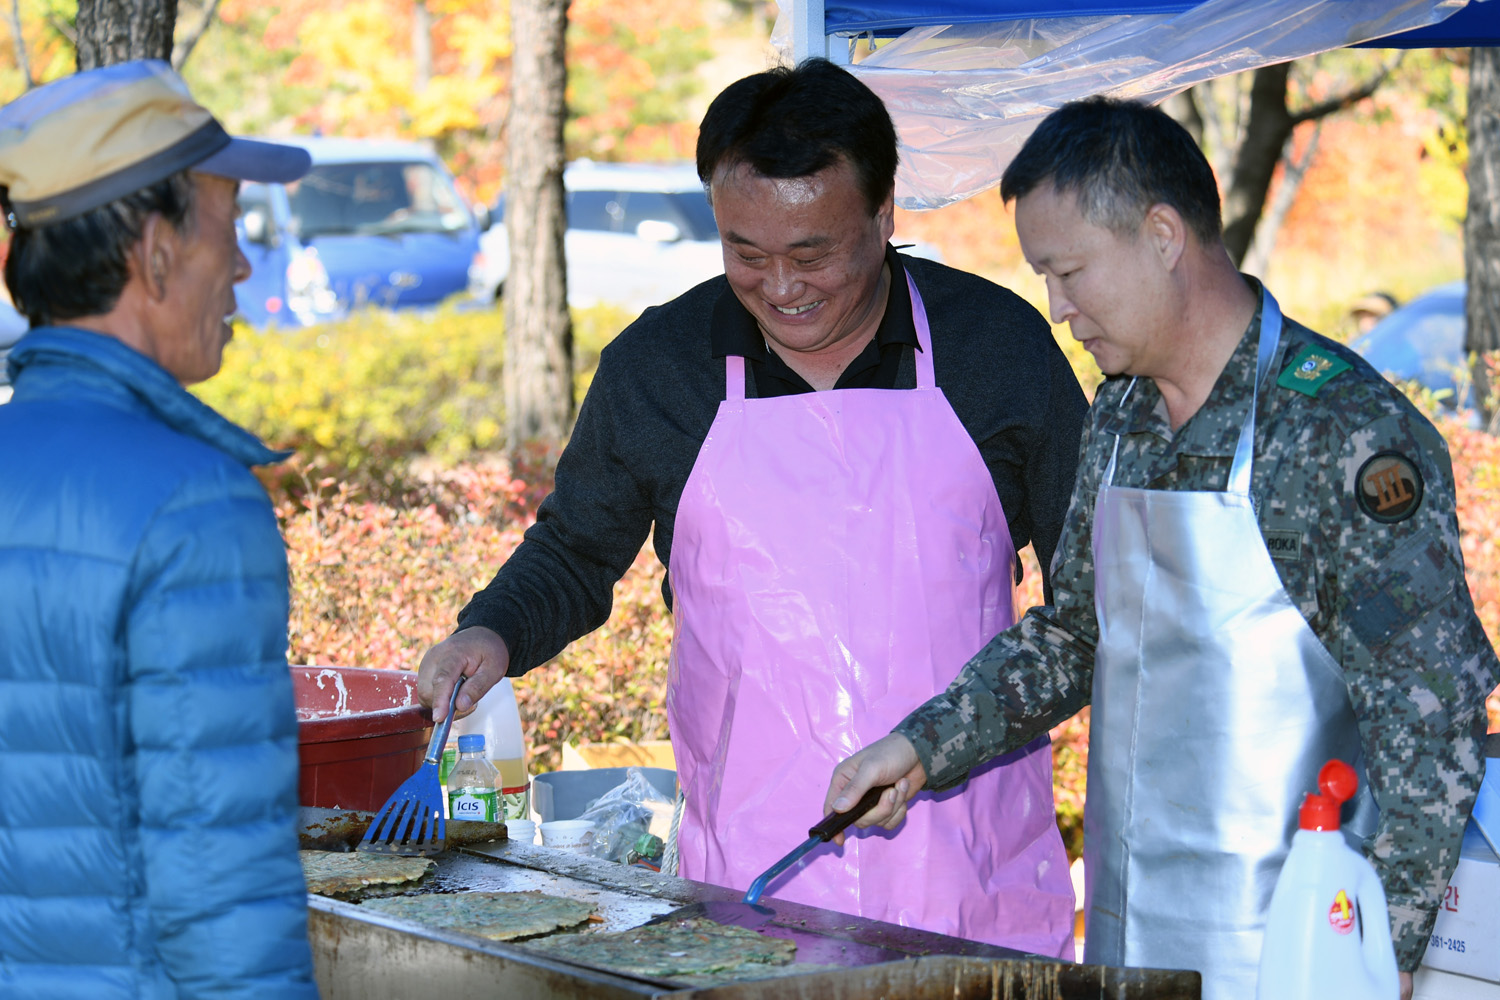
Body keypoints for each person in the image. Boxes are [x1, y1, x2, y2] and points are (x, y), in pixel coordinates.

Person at [823, 96, 1498, 1000]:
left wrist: (1383, 955)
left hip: (1300, 943)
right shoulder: (1121, 415)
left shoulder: (1338, 428)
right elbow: (1075, 636)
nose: (1057, 308)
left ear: (1163, 233)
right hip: (1131, 928)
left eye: (1070, 273)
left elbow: (1430, 716)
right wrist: (917, 748)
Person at [417, 58, 1087, 955]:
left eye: (812, 252)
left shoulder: (995, 347)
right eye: (745, 251)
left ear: (883, 216)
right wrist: (490, 633)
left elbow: (1096, 596)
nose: (781, 285)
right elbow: (577, 549)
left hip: (968, 870)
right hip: (748, 880)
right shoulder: (659, 369)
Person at [0, 61, 318, 998]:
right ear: (156, 251)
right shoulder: (194, 503)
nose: (245, 265)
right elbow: (218, 884)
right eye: (230, 225)